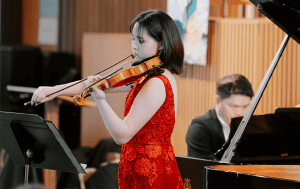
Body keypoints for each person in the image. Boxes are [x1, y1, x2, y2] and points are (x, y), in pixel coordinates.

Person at [30, 10, 184, 189]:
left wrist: (101, 101)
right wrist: (53, 90)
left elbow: (123, 135)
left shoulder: (156, 82)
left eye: (141, 41)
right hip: (141, 164)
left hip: (149, 171)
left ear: (162, 44)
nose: (134, 46)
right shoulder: (149, 74)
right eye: (133, 39)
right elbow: (93, 83)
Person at [186, 74, 254, 160]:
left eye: (245, 107)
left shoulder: (250, 126)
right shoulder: (199, 128)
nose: (240, 113)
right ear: (217, 101)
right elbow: (203, 168)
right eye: (234, 106)